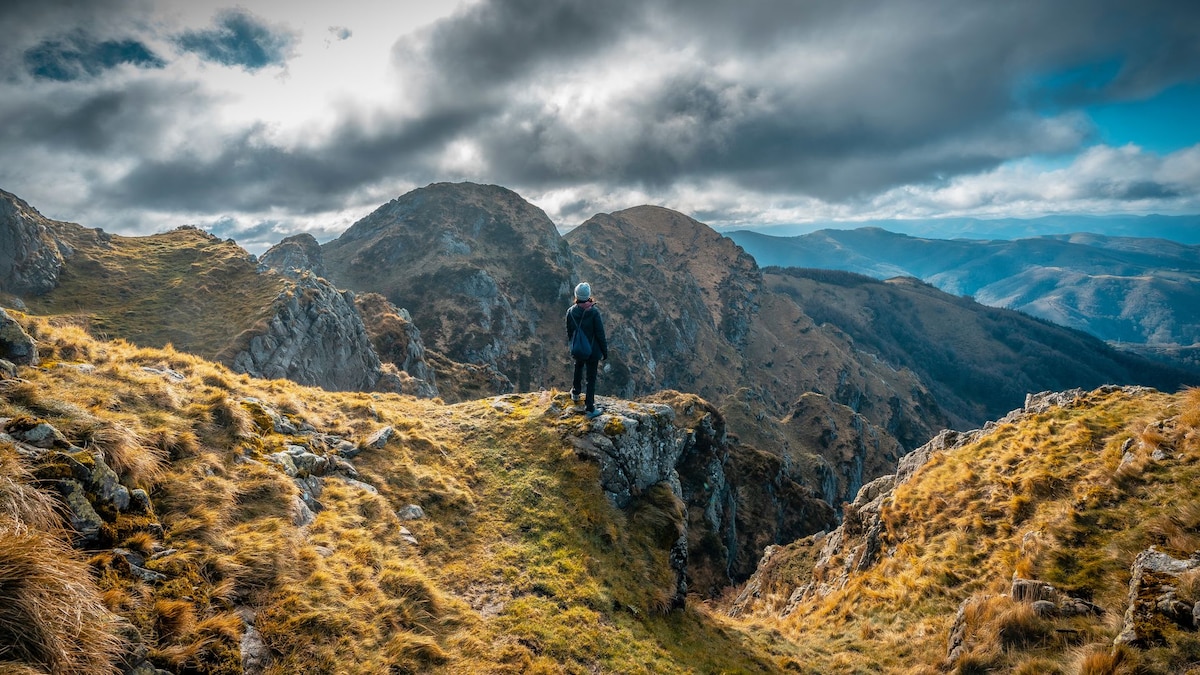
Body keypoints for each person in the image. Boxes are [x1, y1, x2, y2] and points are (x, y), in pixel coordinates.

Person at [566, 281, 608, 418]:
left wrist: (573, 345)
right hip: (593, 350)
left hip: (579, 348)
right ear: (588, 295)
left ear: (576, 295)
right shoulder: (594, 313)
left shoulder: (571, 312)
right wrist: (604, 351)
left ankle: (575, 392)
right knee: (591, 378)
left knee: (578, 367)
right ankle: (590, 408)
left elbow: (570, 332)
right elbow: (600, 334)